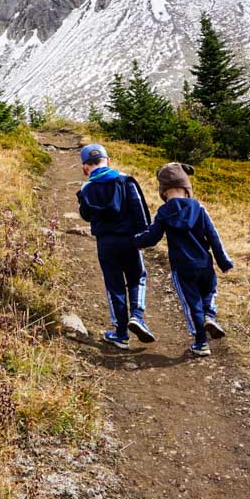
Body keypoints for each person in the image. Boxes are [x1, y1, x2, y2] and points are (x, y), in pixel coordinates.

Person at [133, 162, 233, 358]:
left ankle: (201, 342)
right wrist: (224, 262)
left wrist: (133, 241)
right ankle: (210, 316)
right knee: (210, 291)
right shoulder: (198, 207)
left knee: (191, 304)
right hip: (205, 263)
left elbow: (152, 237)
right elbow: (213, 236)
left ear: (163, 191)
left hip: (182, 268)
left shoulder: (163, 213)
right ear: (187, 188)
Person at [76, 143, 155, 350]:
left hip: (105, 243)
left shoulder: (86, 188)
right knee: (137, 277)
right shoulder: (125, 180)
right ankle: (137, 316)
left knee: (114, 285)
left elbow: (85, 215)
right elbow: (139, 208)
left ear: (85, 167)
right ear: (108, 161)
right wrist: (143, 236)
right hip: (130, 239)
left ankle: (121, 333)